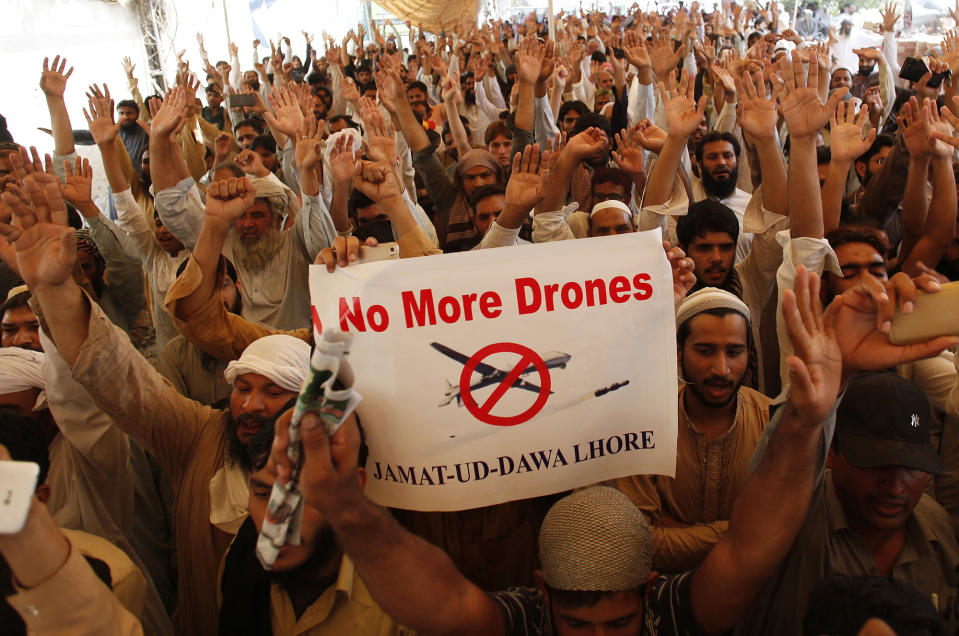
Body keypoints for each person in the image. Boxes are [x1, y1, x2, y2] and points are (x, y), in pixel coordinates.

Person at [740, 372, 959, 634]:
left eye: (912, 468)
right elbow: (771, 484)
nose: (895, 486)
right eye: (876, 464)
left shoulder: (937, 530)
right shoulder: (794, 521)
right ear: (833, 451)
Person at [614, 288, 769, 571]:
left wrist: (674, 530)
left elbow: (782, 531)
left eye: (734, 352)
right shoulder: (642, 423)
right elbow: (635, 543)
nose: (721, 369)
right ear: (678, 351)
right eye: (705, 351)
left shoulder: (771, 421)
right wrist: (737, 530)